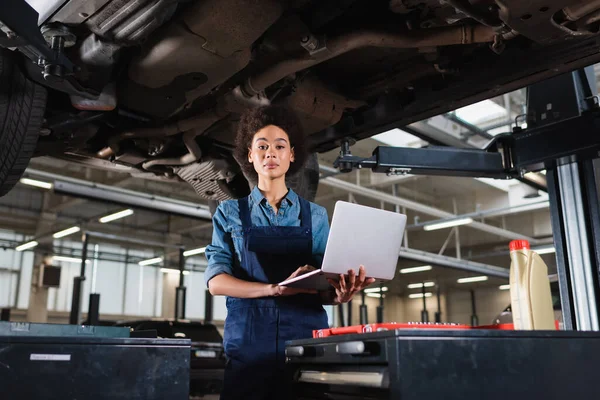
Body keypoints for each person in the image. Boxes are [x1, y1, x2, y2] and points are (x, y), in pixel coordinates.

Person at [204, 105, 375, 400]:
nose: (271, 153)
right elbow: (216, 283)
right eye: (262, 146)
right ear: (250, 155)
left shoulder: (316, 216)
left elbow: (324, 286)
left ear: (292, 155)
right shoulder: (228, 213)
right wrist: (274, 289)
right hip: (249, 344)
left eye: (280, 146)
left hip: (304, 342)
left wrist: (341, 294)